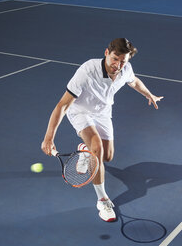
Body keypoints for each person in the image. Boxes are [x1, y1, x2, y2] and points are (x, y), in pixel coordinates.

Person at [41, 38, 163, 222]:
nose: (118, 65)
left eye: (123, 61)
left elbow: (134, 81)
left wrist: (149, 94)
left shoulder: (125, 70)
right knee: (97, 146)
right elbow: (63, 105)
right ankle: (102, 200)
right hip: (80, 111)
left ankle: (84, 151)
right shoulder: (87, 71)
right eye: (115, 58)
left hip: (103, 112)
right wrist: (49, 137)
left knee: (106, 157)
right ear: (107, 53)